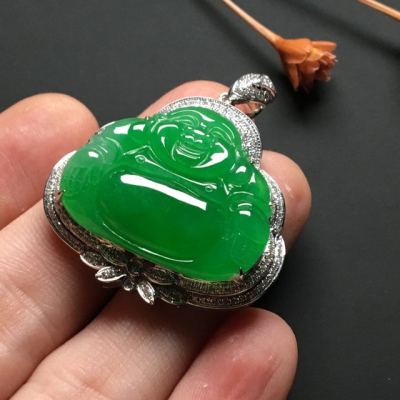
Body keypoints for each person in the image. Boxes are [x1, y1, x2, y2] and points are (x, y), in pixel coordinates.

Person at [0, 81, 311, 400]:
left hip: (197, 237)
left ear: (233, 155)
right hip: (116, 204)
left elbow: (251, 208)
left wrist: (243, 231)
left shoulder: (241, 177)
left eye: (214, 139)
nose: (195, 138)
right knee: (91, 181)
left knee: (230, 248)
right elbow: (104, 146)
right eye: (186, 127)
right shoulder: (136, 136)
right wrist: (91, 165)